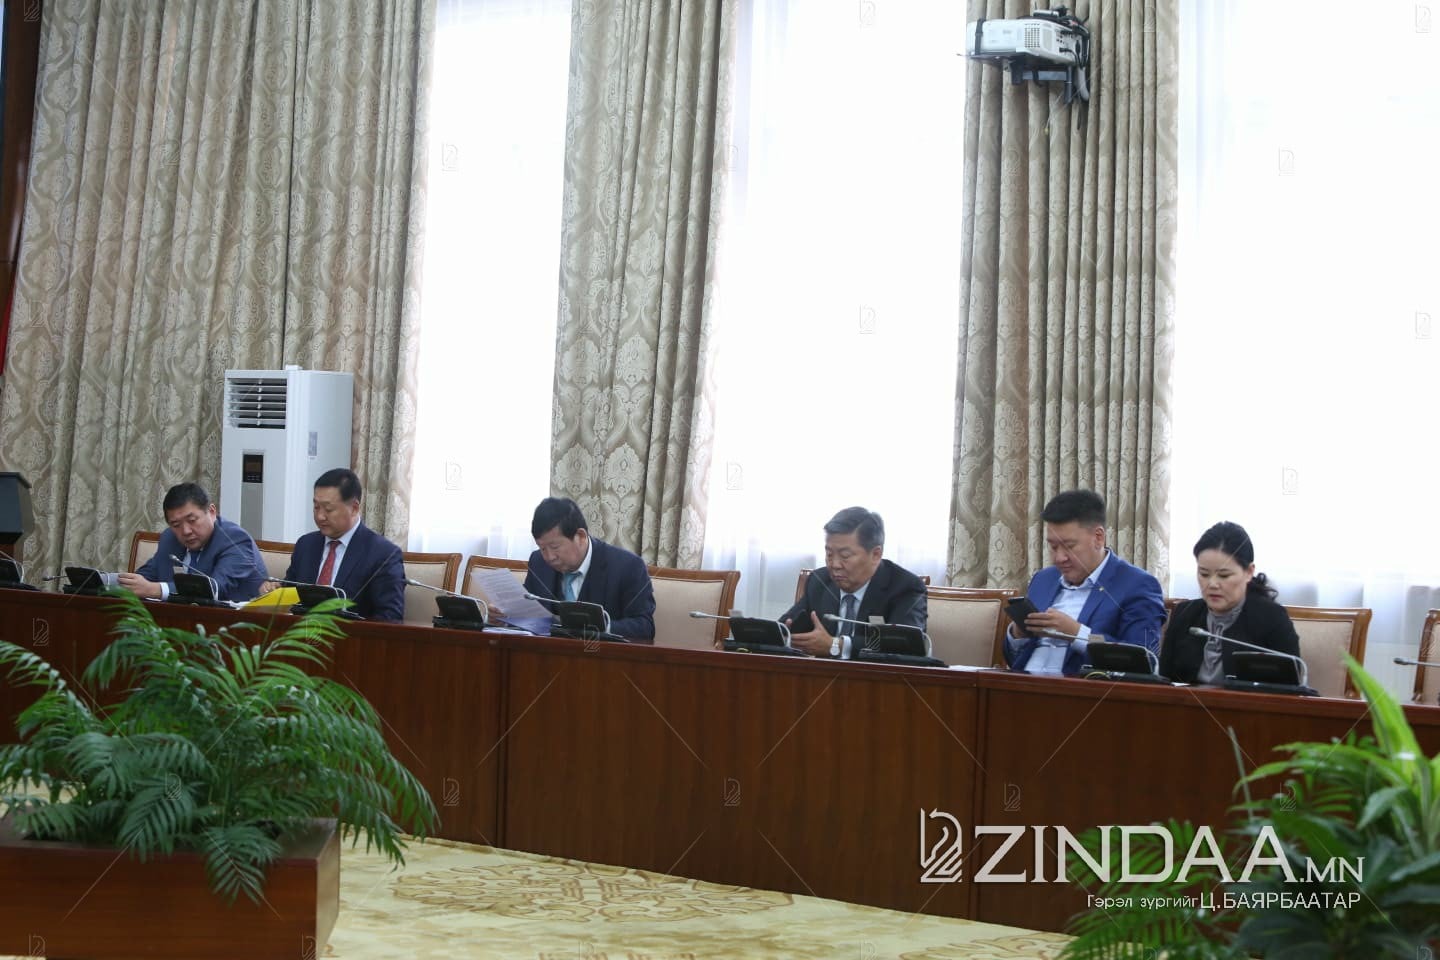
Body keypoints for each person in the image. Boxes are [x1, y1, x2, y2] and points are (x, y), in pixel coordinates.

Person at [1004, 489, 1166, 675]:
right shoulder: (1043, 579)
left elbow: (1144, 660)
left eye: (1069, 546)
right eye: (1053, 547)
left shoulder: (1137, 585)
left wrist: (1077, 634)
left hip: (1078, 689)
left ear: (1098, 537)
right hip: (1020, 685)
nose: (1059, 558)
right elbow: (1014, 659)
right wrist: (1018, 635)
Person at [1159, 521, 1299, 685]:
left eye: (1224, 575)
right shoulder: (1185, 614)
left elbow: (1290, 688)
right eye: (1204, 574)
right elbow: (1163, 681)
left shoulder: (1272, 618)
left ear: (1249, 572)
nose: (1212, 584)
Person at [780, 507, 928, 659]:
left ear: (876, 554)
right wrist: (785, 635)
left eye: (845, 555)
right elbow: (783, 627)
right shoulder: (819, 581)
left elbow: (905, 645)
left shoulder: (905, 587)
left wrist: (837, 645)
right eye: (829, 554)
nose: (834, 564)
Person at [521, 497, 656, 642]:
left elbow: (645, 627)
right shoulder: (538, 562)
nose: (549, 557)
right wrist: (507, 614)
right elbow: (526, 609)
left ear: (581, 536)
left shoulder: (628, 566)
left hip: (600, 653)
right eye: (542, 548)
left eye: (555, 547)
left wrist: (603, 627)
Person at [280, 468, 405, 622]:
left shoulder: (383, 554)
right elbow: (288, 596)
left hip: (350, 635)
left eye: (328, 509)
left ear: (354, 508)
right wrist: (273, 592)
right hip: (300, 633)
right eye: (316, 507)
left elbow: (390, 619)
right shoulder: (305, 545)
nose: (320, 516)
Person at [120, 483, 267, 602]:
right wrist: (112, 582)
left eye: (192, 520)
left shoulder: (236, 540)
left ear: (212, 512)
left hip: (233, 624)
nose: (186, 531)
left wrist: (153, 589)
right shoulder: (169, 538)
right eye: (176, 525)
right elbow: (145, 577)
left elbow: (215, 589)